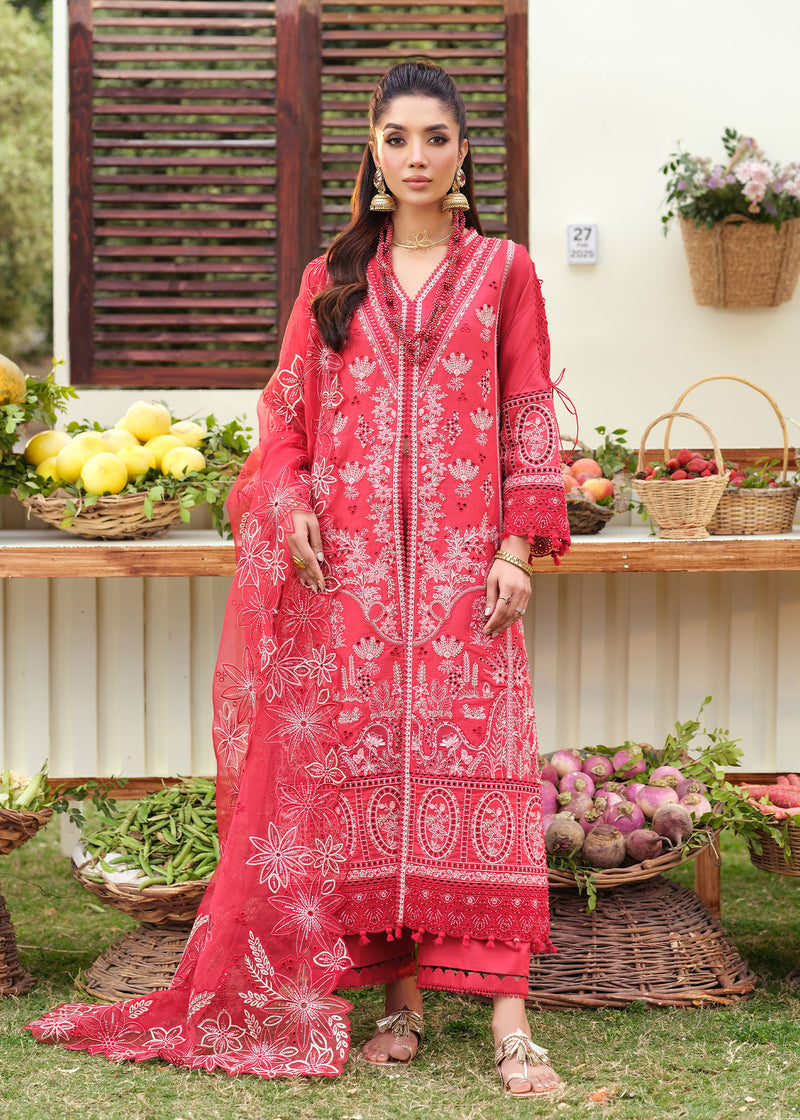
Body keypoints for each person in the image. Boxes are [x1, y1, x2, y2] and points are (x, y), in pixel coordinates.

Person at [27, 59, 570, 1097]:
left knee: (484, 778)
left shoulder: (504, 270)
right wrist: (288, 509)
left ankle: (510, 1023)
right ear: (370, 149)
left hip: (465, 576)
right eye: (397, 138)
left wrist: (512, 551)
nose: (416, 157)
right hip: (352, 582)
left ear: (463, 154)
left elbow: (528, 408)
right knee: (361, 790)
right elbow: (283, 417)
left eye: (436, 139)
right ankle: (396, 1008)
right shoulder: (332, 276)